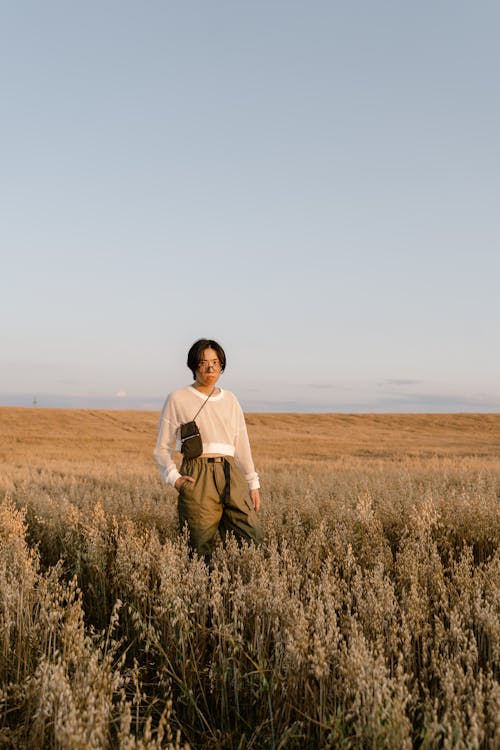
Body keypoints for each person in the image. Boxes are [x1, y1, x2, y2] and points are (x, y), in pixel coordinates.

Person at [154, 338, 262, 562]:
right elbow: (161, 449)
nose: (210, 368)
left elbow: (242, 444)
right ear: (194, 366)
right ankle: (204, 593)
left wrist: (252, 482)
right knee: (199, 549)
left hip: (231, 474)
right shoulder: (178, 398)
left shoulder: (230, 399)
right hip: (198, 474)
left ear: (222, 365)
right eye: (203, 363)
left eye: (215, 362)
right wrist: (174, 478)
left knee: (252, 540)